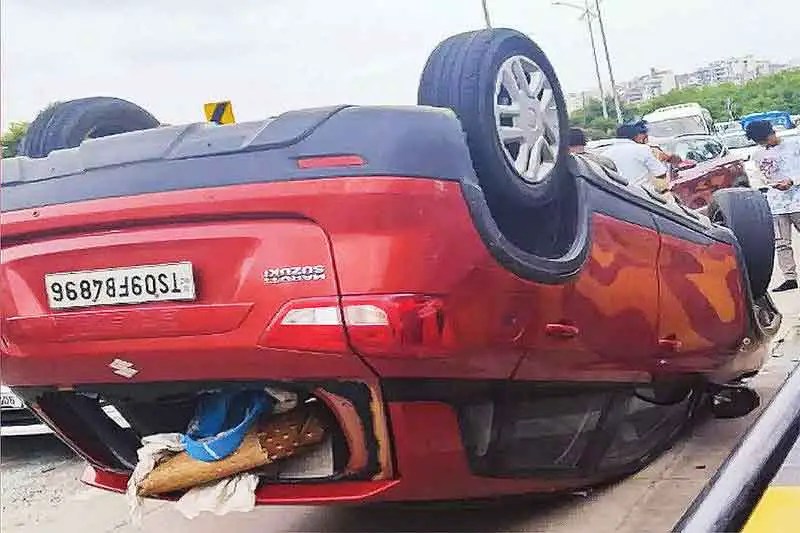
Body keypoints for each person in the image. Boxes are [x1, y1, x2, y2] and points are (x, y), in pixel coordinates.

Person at [746, 120, 800, 292]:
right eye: (760, 142)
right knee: (782, 243)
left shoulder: (794, 145)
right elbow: (758, 178)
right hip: (776, 203)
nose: (764, 144)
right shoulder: (757, 155)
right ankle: (790, 277)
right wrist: (770, 185)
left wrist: (792, 181)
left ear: (772, 133)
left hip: (797, 199)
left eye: (765, 139)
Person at [601, 121, 672, 193]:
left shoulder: (605, 153)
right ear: (636, 136)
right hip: (643, 197)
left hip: (619, 196)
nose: (646, 136)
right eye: (643, 133)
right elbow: (660, 173)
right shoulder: (642, 149)